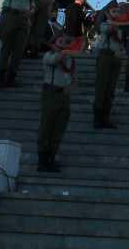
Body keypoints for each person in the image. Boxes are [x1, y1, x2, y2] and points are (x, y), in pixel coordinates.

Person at [38, 34, 79, 173]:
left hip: (63, 96)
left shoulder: (70, 59)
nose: (64, 43)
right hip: (51, 93)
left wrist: (70, 87)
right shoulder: (49, 55)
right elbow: (55, 60)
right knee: (47, 127)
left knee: (59, 129)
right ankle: (42, 160)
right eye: (60, 41)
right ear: (54, 43)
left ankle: (51, 158)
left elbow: (72, 77)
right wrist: (60, 50)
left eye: (66, 41)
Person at [0, 0, 34, 88]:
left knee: (19, 50)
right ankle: (1, 77)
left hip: (24, 18)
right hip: (10, 15)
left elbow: (32, 4)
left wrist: (31, 11)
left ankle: (11, 77)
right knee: (6, 47)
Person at [92, 2, 124, 129]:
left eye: (118, 12)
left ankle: (106, 117)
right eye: (113, 12)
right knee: (102, 88)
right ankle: (97, 117)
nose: (116, 14)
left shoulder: (120, 27)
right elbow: (108, 30)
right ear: (107, 13)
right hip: (105, 56)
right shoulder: (104, 25)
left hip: (116, 58)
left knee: (110, 89)